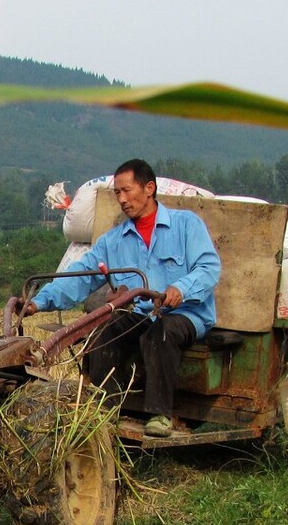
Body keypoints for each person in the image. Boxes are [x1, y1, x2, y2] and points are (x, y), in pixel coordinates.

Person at [21, 159, 221, 437]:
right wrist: (38, 302)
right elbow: (81, 275)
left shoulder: (186, 225)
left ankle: (159, 415)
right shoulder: (113, 241)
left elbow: (208, 268)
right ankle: (108, 411)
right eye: (117, 193)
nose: (122, 199)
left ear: (149, 188)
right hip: (141, 314)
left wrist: (181, 288)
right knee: (105, 334)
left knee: (160, 334)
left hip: (185, 315)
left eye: (127, 191)